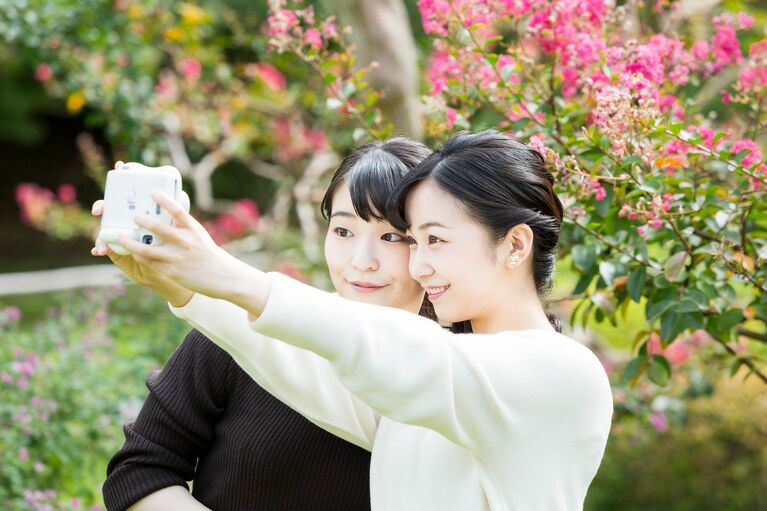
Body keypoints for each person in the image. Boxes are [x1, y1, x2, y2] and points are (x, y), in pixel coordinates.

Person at [108, 130, 613, 510]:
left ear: (516, 245)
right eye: (413, 242)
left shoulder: (562, 374)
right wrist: (180, 284)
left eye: (433, 240)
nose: (419, 265)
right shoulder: (425, 398)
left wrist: (224, 273)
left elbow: (394, 349)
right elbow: (307, 368)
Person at [93, 138, 434, 511]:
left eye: (391, 237)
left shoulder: (456, 372)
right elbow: (139, 471)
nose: (361, 260)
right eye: (343, 231)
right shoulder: (237, 330)